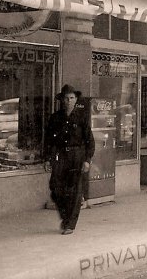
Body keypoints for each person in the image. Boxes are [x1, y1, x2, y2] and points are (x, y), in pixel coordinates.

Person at [43, 85, 94, 235]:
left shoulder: (81, 118)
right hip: (60, 156)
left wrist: (87, 160)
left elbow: (89, 141)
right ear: (61, 100)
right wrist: (47, 159)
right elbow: (49, 141)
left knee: (75, 191)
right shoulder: (55, 118)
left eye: (71, 98)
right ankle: (65, 217)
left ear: (76, 99)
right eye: (66, 98)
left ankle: (70, 224)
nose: (68, 101)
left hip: (77, 156)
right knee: (55, 188)